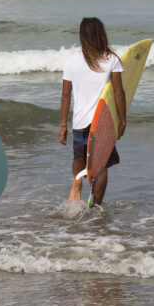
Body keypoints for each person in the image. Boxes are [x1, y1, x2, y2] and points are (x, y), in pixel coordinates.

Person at [59, 17, 127, 206]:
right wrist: (122, 121)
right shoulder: (111, 59)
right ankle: (96, 206)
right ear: (101, 35)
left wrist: (64, 124)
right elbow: (119, 93)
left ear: (82, 37)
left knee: (79, 157)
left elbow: (66, 95)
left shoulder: (72, 61)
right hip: (102, 122)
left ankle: (78, 181)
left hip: (80, 121)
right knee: (101, 164)